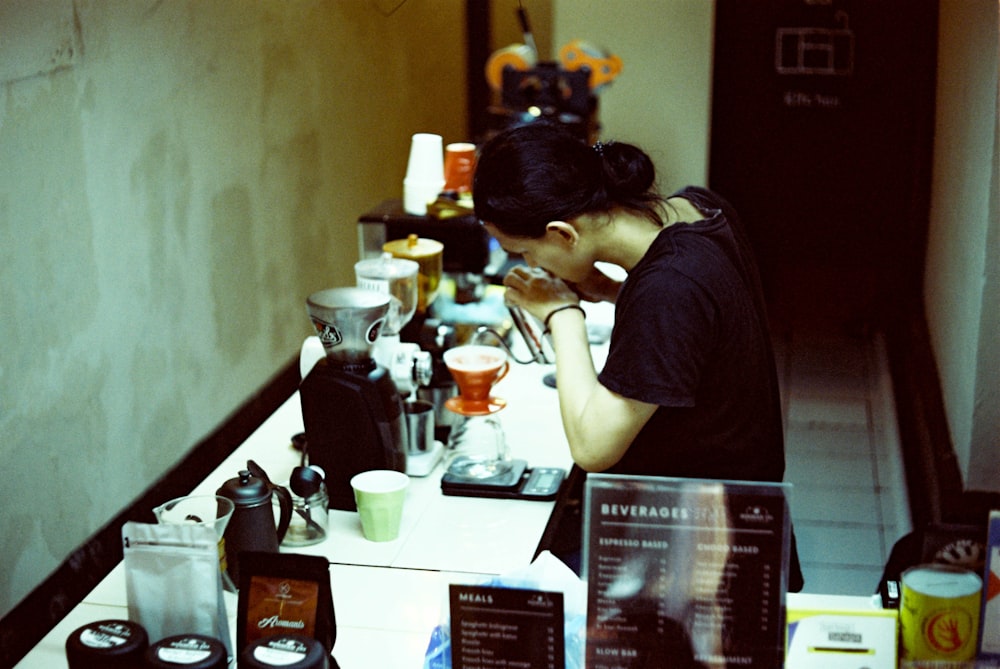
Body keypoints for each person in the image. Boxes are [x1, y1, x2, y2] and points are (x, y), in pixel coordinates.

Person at [473, 122, 803, 591]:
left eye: (524, 252)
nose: (529, 266)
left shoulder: (668, 289)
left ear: (563, 233)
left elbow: (593, 448)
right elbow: (697, 320)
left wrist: (561, 314)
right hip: (736, 511)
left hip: (710, 552)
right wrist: (609, 290)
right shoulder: (696, 206)